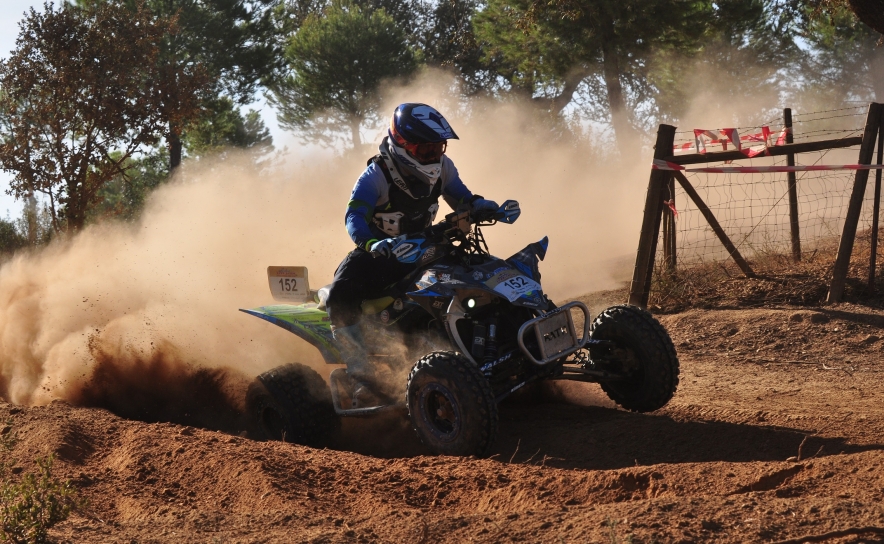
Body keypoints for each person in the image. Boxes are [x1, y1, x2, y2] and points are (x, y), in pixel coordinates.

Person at [326, 102, 504, 406]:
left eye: (439, 147)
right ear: (403, 145)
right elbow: (353, 217)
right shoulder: (375, 176)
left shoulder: (443, 167)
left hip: (428, 245)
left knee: (479, 273)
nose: (435, 156)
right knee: (339, 295)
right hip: (380, 255)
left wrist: (478, 204)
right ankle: (360, 376)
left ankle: (493, 344)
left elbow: (460, 195)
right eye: (426, 150)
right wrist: (371, 244)